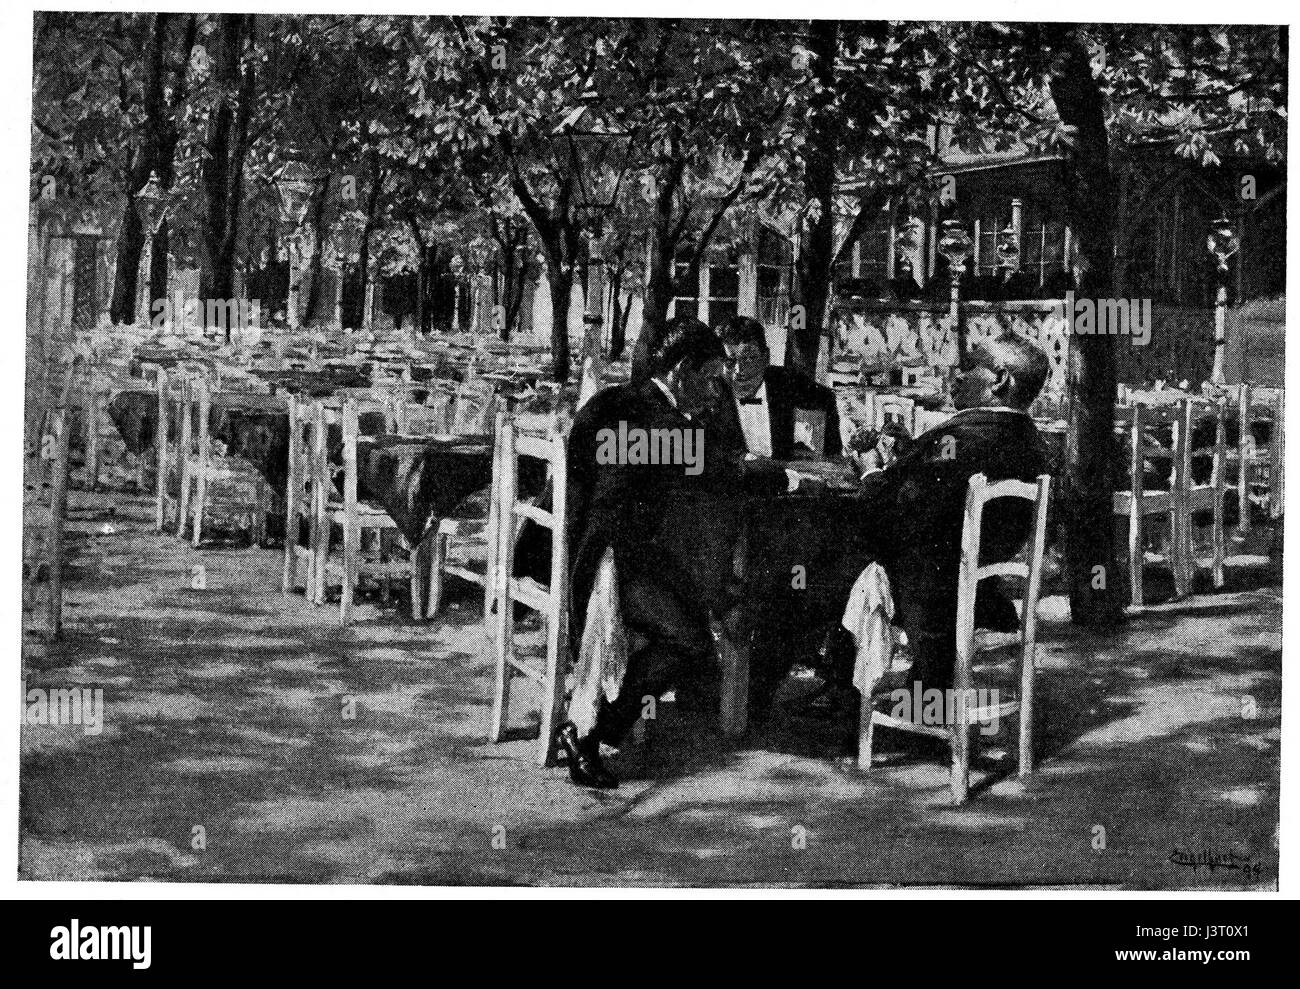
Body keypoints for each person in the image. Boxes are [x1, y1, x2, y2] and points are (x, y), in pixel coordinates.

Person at [554, 316, 788, 789]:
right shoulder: (661, 423)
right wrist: (785, 477)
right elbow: (722, 473)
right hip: (608, 564)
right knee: (692, 644)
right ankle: (590, 731)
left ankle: (593, 722)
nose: (712, 392)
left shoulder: (616, 400)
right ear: (681, 372)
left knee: (691, 603)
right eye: (707, 380)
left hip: (587, 548)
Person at [836, 332, 1051, 697]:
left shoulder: (964, 434)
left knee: (818, 572)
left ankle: (846, 701)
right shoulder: (1025, 438)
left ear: (999, 380)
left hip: (931, 594)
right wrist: (909, 455)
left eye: (968, 369)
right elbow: (939, 493)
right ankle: (887, 700)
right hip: (977, 589)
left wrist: (872, 472)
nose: (957, 376)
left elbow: (893, 515)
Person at [716, 316, 843, 461]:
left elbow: (826, 399)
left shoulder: (789, 384)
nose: (739, 370)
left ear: (766, 358)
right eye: (730, 361)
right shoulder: (710, 396)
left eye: (750, 358)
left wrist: (827, 454)